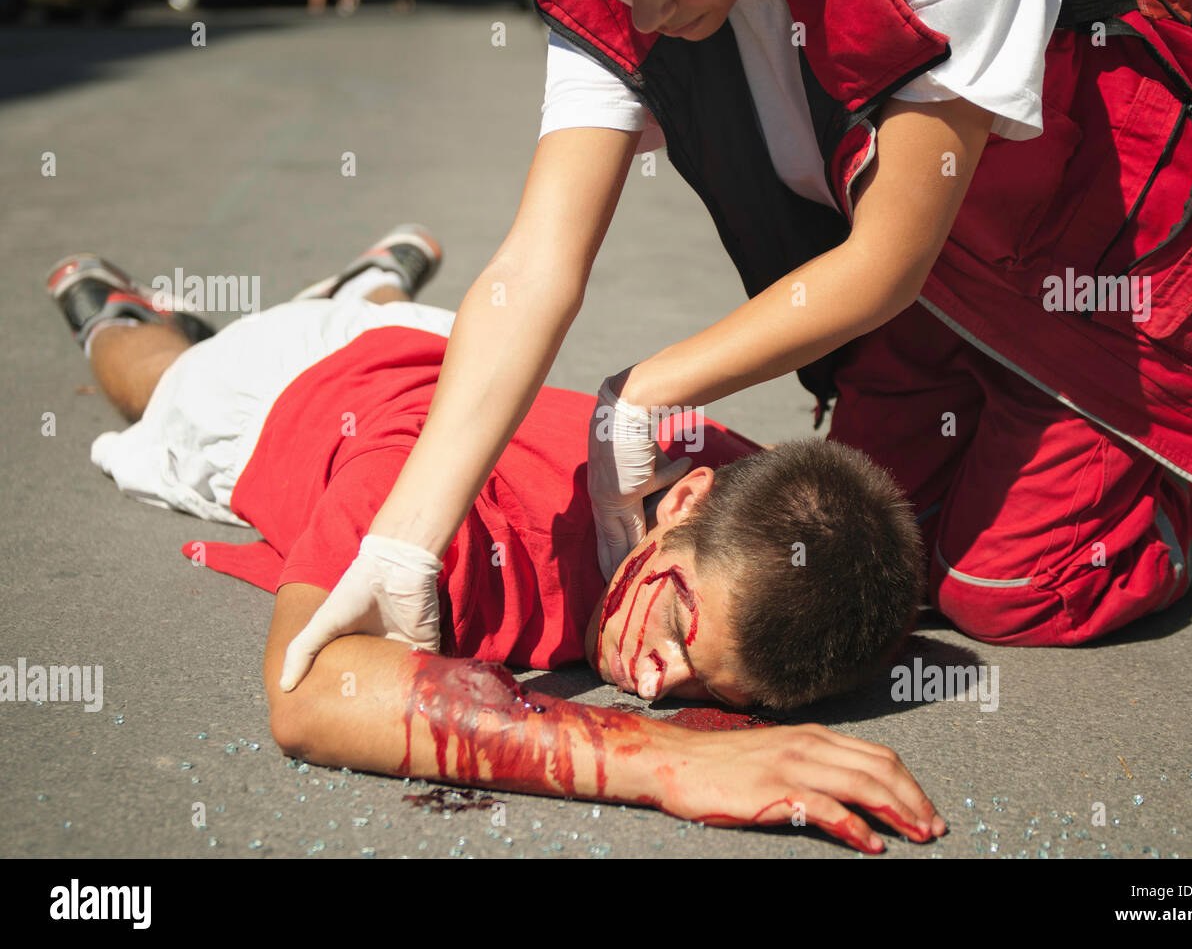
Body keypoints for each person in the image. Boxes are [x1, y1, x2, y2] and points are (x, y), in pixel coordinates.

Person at [288, 0, 1192, 682]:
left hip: (1120, 252)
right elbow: (533, 265)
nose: (626, 10)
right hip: (948, 281)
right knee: (874, 550)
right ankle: (1026, 420)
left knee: (1013, 587)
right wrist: (403, 547)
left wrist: (643, 392)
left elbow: (891, 254)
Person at [45, 230, 942, 853]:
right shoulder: (446, 523)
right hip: (269, 393)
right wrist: (671, 759)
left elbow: (856, 537)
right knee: (155, 379)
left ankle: (370, 291)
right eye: (677, 627)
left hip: (455, 348)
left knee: (407, 327)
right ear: (685, 504)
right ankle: (110, 311)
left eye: (705, 685)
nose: (658, 679)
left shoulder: (750, 502)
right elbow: (309, 692)